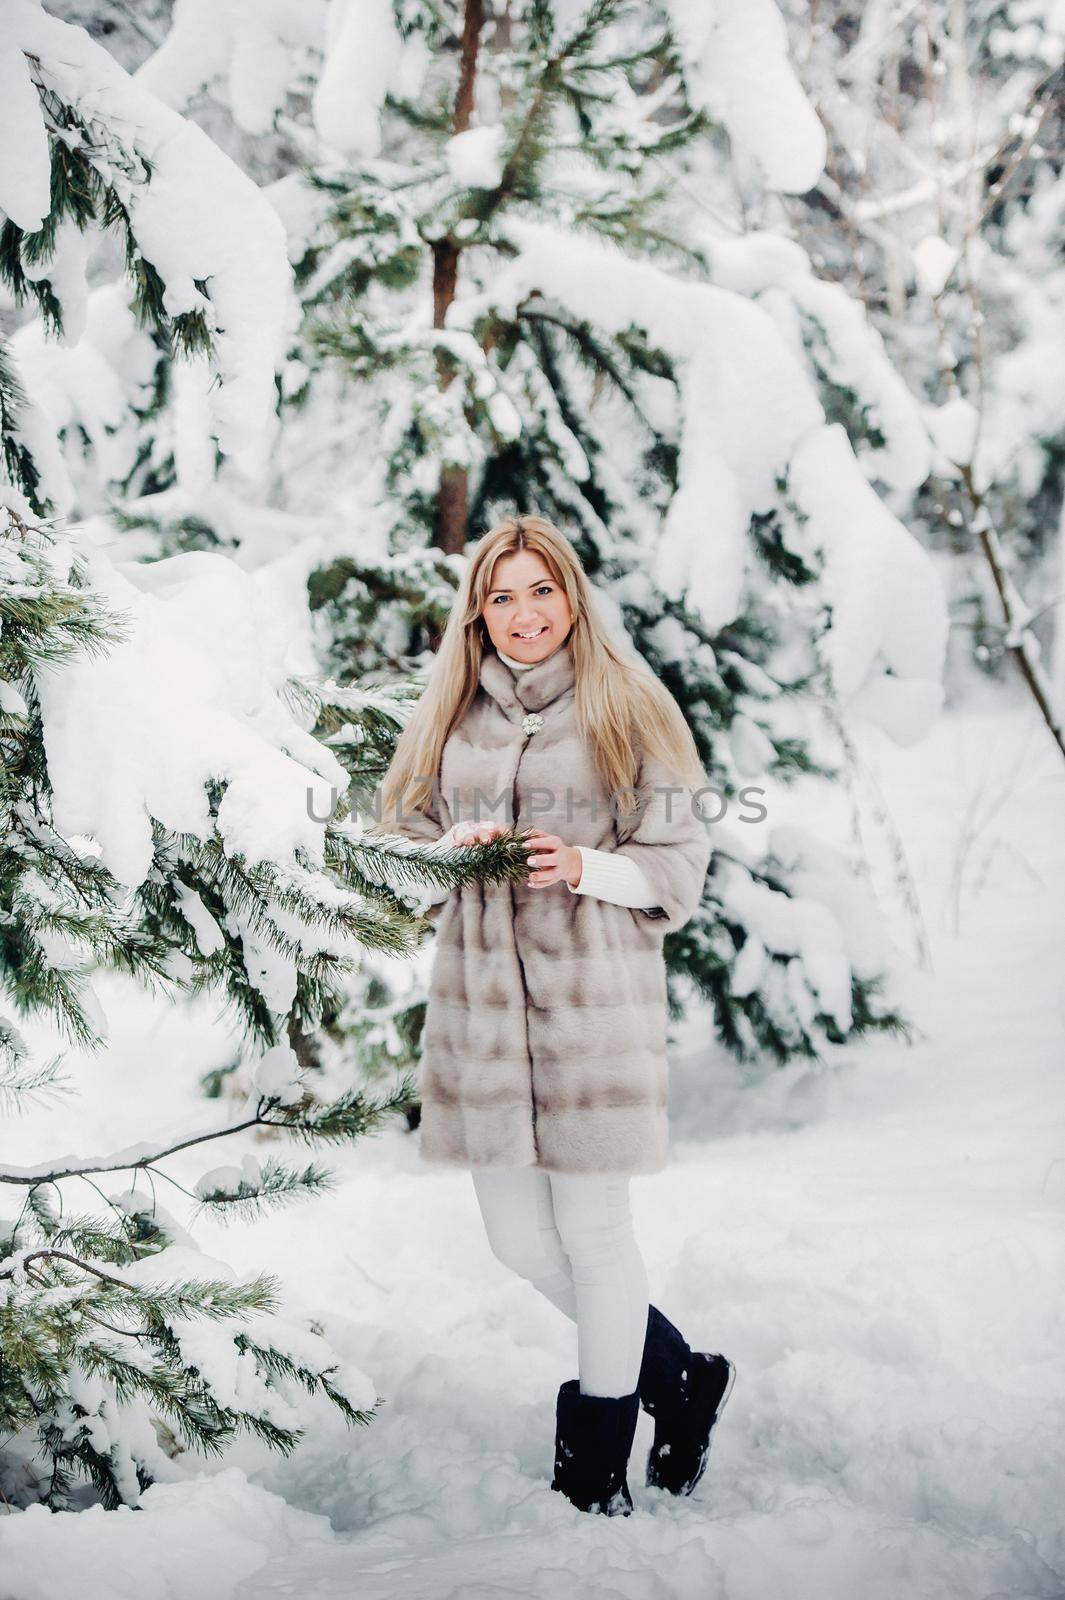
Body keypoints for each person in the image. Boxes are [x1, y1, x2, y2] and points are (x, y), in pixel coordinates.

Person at [372, 512, 735, 1516]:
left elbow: (680, 869)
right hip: (483, 1017)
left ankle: (593, 1470)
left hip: (592, 1012)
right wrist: (458, 843)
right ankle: (683, 1380)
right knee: (517, 1243)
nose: (524, 614)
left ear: (571, 596)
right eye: (501, 596)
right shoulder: (453, 709)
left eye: (541, 591)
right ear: (477, 614)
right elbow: (397, 839)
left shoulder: (629, 704)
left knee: (593, 1229)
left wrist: (583, 864)